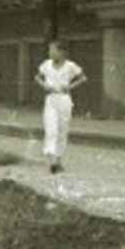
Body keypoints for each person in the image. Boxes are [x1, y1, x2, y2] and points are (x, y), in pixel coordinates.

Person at [35, 42, 87, 174]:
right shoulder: (46, 65)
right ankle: (51, 159)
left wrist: (69, 87)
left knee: (63, 130)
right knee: (51, 129)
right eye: (49, 50)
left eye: (53, 50)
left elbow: (83, 78)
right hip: (51, 99)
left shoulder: (70, 66)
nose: (50, 53)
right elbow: (37, 77)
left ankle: (58, 159)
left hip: (64, 99)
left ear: (61, 52)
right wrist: (44, 85)